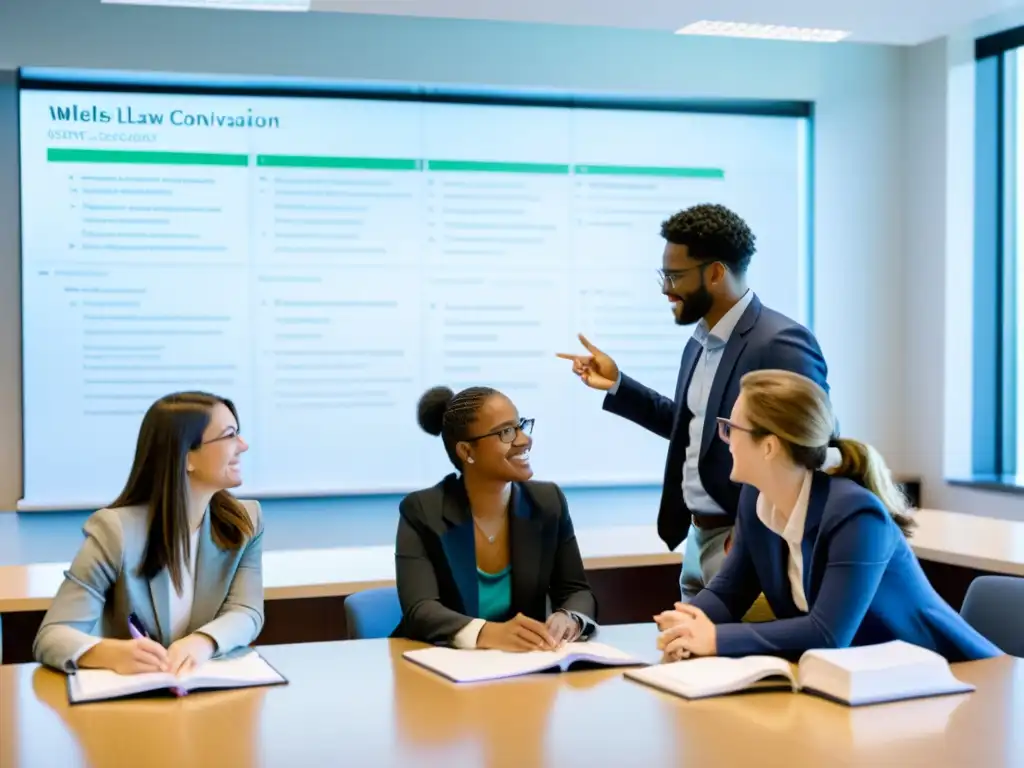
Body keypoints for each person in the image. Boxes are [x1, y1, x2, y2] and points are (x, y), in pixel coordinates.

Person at [558, 203, 830, 601]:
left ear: (716, 273)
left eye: (674, 276)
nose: (666, 289)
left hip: (745, 542)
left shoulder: (780, 342)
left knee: (746, 660)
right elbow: (692, 428)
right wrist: (618, 385)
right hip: (698, 537)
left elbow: (810, 448)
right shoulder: (699, 343)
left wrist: (751, 530)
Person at [653, 369, 1001, 663]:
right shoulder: (756, 500)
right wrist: (687, 621)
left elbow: (828, 633)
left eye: (731, 429)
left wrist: (716, 640)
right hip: (863, 682)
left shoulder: (856, 516)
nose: (725, 441)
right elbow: (729, 593)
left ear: (770, 446)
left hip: (947, 679)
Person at [33, 391, 265, 675]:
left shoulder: (245, 522)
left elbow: (246, 611)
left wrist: (202, 642)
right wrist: (109, 653)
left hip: (206, 695)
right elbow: (52, 636)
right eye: (229, 435)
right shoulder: (114, 532)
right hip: (133, 703)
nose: (243, 445)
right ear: (186, 457)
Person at [393, 385, 598, 650]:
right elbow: (420, 610)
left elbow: (576, 591)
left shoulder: (548, 502)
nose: (524, 440)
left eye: (520, 426)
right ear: (467, 452)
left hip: (523, 669)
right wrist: (488, 633)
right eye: (506, 432)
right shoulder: (422, 510)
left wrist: (569, 617)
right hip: (442, 668)